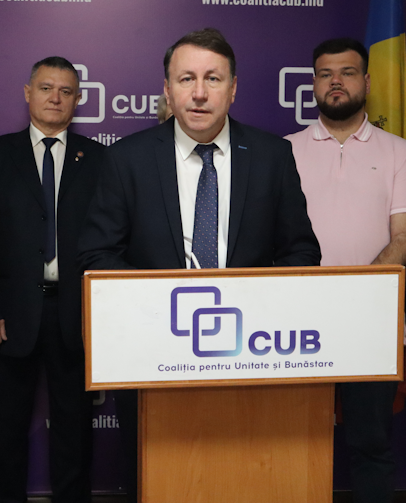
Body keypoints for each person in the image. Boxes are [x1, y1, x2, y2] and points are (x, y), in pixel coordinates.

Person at [77, 27, 321, 500]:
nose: (200, 92)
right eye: (186, 78)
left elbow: (301, 251)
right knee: (158, 479)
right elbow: (97, 254)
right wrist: (163, 305)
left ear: (234, 88)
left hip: (252, 354)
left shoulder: (272, 155)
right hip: (153, 352)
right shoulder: (128, 158)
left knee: (242, 478)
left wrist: (263, 310)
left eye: (213, 78)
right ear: (168, 90)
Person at [285, 38, 406, 503]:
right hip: (295, 326)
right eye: (325, 74)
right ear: (313, 84)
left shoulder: (398, 152)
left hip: (371, 323)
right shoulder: (282, 151)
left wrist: (350, 294)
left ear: (366, 81)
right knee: (294, 443)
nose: (336, 82)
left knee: (370, 444)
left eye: (347, 72)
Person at [0, 56, 104, 503]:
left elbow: (110, 241)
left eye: (66, 91)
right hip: (10, 315)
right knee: (8, 428)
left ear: (78, 100)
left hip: (76, 315)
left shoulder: (100, 160)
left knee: (75, 430)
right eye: (46, 88)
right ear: (28, 93)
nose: (55, 98)